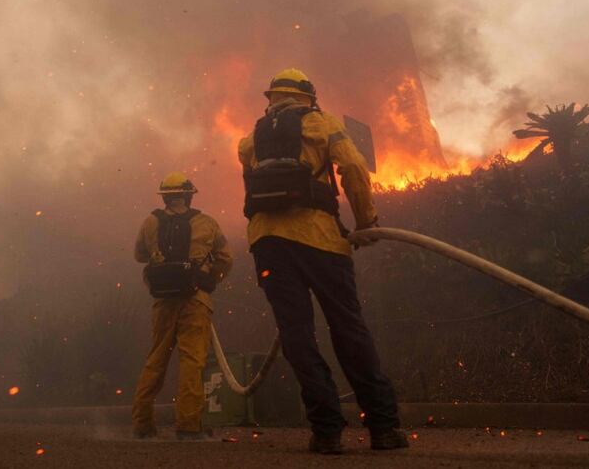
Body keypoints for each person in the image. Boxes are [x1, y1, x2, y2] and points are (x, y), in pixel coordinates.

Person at [238, 68, 407, 455]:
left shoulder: (251, 140)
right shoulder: (321, 123)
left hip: (268, 244)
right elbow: (353, 168)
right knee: (348, 329)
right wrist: (366, 222)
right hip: (322, 242)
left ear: (272, 99)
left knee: (297, 336)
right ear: (308, 97)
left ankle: (327, 431)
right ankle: (382, 428)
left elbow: (254, 189)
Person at [131, 172, 233, 440]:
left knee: (156, 359)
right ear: (189, 195)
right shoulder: (206, 223)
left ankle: (142, 424)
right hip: (195, 300)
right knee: (192, 360)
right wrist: (209, 280)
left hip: (163, 301)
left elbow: (139, 255)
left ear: (164, 196)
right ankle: (188, 426)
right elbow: (226, 259)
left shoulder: (150, 222)